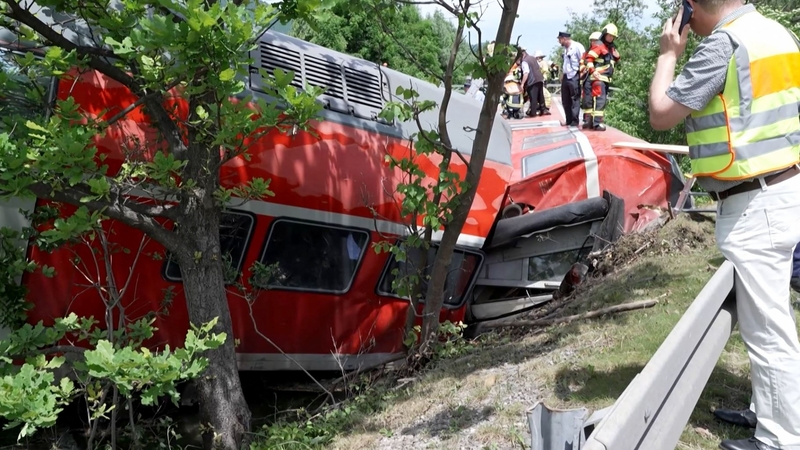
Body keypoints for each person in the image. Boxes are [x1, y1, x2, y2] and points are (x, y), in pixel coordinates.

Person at [648, 0, 800, 449]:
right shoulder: (777, 34)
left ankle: (780, 439)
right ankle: (765, 409)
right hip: (783, 187)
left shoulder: (723, 46)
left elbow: (661, 113)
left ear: (692, 9)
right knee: (767, 316)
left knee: (769, 330)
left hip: (755, 202)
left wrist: (667, 54)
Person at [581, 24, 620, 131]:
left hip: (605, 78)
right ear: (604, 34)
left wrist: (616, 55)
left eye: (613, 37)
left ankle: (591, 122)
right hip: (599, 78)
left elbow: (611, 60)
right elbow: (588, 59)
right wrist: (593, 71)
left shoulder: (609, 48)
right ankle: (597, 124)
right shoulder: (599, 45)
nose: (611, 38)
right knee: (600, 100)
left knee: (598, 100)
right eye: (609, 36)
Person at [557, 31, 585, 126]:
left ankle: (574, 120)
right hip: (566, 76)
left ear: (564, 39)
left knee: (575, 98)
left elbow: (583, 60)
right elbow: (566, 63)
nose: (559, 42)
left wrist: (581, 74)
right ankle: (568, 120)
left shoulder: (577, 47)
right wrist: (562, 74)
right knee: (565, 99)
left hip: (575, 75)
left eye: (560, 40)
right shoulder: (565, 49)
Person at [518, 49, 549, 117]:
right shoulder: (532, 58)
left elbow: (526, 73)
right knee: (540, 96)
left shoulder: (525, 61)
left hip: (532, 80)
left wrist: (522, 84)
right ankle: (543, 110)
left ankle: (533, 112)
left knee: (533, 97)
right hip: (540, 79)